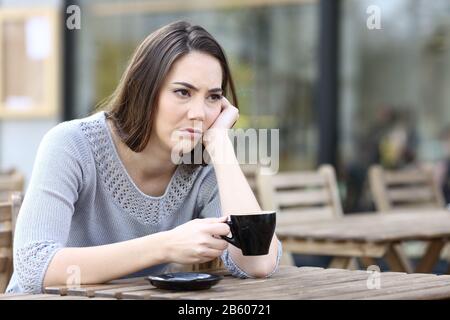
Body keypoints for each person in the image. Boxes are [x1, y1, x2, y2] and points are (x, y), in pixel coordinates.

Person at [6, 21, 282, 294]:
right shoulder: (72, 144)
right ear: (144, 89)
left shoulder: (202, 167)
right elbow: (34, 268)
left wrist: (220, 144)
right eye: (182, 92)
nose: (199, 112)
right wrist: (165, 246)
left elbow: (257, 262)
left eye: (212, 97)